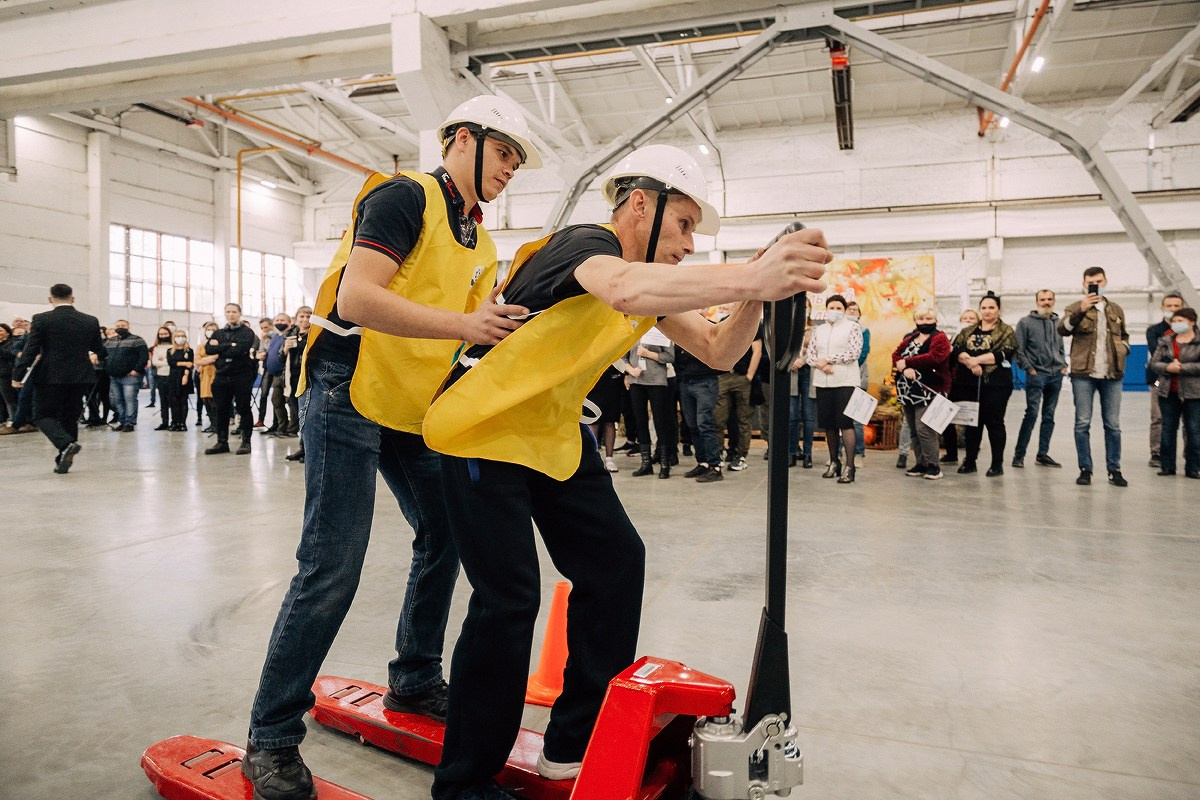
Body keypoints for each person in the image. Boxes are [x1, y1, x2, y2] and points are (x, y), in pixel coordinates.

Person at [421, 143, 830, 800]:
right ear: (641, 203)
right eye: (684, 225)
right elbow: (622, 287)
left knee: (616, 563)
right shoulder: (585, 246)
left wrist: (761, 289)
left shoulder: (652, 282)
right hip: (482, 427)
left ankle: (571, 744)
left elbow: (721, 349)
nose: (690, 244)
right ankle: (463, 782)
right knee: (509, 600)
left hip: (551, 431)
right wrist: (753, 276)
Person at [240, 94, 543, 800]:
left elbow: (457, 330)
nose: (510, 170)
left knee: (446, 534)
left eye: (518, 162)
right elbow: (359, 299)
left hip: (414, 405)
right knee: (332, 566)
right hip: (346, 389)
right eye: (504, 153)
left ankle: (412, 679)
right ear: (462, 139)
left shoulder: (484, 243)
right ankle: (273, 737)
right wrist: (468, 324)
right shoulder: (405, 197)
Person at [10, 284, 104, 474]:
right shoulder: (90, 320)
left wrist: (18, 375)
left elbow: (31, 350)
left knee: (42, 415)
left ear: (50, 299)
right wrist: (98, 357)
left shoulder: (42, 319)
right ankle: (63, 457)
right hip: (80, 375)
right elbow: (99, 349)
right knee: (69, 416)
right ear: (73, 298)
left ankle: (66, 443)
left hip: (50, 375)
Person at [1058, 267, 1130, 487]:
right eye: (1091, 282)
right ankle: (1085, 469)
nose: (1095, 285)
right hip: (1083, 374)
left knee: (1113, 424)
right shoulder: (1074, 307)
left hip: (1112, 373)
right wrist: (1081, 309)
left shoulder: (1115, 309)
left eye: (1099, 281)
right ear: (1083, 284)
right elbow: (1063, 329)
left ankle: (1114, 469)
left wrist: (1124, 348)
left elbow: (1124, 334)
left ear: (1105, 281)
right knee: (1082, 422)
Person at [951, 292, 1015, 476]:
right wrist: (969, 362)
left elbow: (1004, 353)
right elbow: (957, 350)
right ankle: (970, 461)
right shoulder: (969, 330)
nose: (987, 311)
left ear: (999, 310)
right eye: (984, 308)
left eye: (991, 308)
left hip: (997, 384)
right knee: (972, 423)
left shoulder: (1006, 331)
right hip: (969, 383)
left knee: (994, 422)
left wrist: (975, 360)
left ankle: (997, 464)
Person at [806, 294, 863, 483]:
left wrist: (829, 360)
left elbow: (854, 352)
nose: (835, 311)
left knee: (845, 423)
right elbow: (810, 355)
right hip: (823, 381)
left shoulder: (853, 327)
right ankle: (833, 462)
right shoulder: (819, 330)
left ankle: (850, 466)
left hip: (845, 381)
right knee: (828, 424)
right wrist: (821, 365)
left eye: (839, 308)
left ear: (845, 310)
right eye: (832, 307)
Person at [892, 307, 952, 479]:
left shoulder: (940, 338)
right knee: (913, 429)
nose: (925, 322)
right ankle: (921, 463)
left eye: (928, 318)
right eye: (921, 319)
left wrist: (908, 363)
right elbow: (896, 355)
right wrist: (904, 369)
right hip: (908, 389)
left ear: (935, 320)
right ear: (916, 321)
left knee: (924, 427)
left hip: (930, 388)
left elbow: (935, 357)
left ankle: (934, 465)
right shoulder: (910, 338)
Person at [1012, 289, 1067, 468]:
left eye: (1050, 299)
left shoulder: (1058, 323)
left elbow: (1059, 346)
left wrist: (1063, 364)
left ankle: (1043, 454)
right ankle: (1019, 456)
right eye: (1042, 299)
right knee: (1032, 414)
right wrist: (1030, 369)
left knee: (1049, 416)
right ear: (1036, 302)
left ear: (1054, 301)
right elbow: (1018, 350)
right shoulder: (1025, 323)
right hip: (1037, 375)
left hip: (1056, 375)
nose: (1046, 302)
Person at [1149, 307, 1199, 478]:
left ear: (1192, 322)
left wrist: (1182, 368)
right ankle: (1167, 466)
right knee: (1168, 429)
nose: (1176, 324)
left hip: (1194, 393)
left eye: (1180, 321)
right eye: (1175, 321)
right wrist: (1168, 367)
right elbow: (1154, 363)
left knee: (1193, 430)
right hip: (1168, 391)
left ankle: (1193, 467)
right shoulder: (1166, 341)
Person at [204, 303, 259, 455]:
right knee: (221, 409)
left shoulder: (247, 332)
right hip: (221, 375)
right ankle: (222, 442)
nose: (231, 314)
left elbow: (240, 350)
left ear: (240, 313)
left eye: (234, 312)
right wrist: (229, 345)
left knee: (243, 407)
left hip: (241, 375)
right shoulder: (219, 332)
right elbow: (209, 349)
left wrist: (221, 347)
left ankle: (246, 442)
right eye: (228, 312)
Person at [713, 312, 761, 472]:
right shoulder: (722, 321)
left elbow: (757, 350)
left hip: (743, 377)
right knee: (718, 418)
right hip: (724, 376)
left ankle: (740, 456)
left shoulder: (752, 322)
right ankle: (717, 453)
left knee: (744, 419)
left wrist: (749, 376)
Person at [625, 328, 675, 478]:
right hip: (636, 381)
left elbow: (670, 356)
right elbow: (622, 357)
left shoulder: (660, 330)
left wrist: (649, 354)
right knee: (640, 421)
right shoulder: (631, 330)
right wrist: (630, 370)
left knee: (660, 421)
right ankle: (645, 463)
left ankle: (665, 463)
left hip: (657, 381)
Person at [676, 333, 724, 482]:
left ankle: (715, 466)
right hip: (685, 381)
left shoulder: (708, 329)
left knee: (705, 423)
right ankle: (702, 462)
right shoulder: (681, 331)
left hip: (705, 381)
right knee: (693, 425)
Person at [1147, 292, 1185, 468]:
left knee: (1190, 420)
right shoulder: (1154, 331)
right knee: (1158, 417)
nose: (1173, 309)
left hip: (1187, 380)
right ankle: (1157, 453)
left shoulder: (1193, 331)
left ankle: (1191, 454)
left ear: (1182, 308)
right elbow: (1157, 353)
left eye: (1176, 306)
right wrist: (1177, 362)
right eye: (1169, 306)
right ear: (1162, 308)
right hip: (1158, 379)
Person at [103, 319, 148, 432]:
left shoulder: (137, 340)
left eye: (123, 325)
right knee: (117, 400)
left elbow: (144, 356)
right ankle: (122, 421)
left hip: (130, 376)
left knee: (130, 399)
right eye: (118, 325)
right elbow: (103, 353)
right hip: (114, 376)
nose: (120, 327)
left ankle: (129, 422)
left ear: (128, 327)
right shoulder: (110, 341)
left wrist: (136, 370)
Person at [845, 300, 870, 462]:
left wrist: (847, 366)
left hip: (858, 378)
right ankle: (842, 453)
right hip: (840, 380)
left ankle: (859, 453)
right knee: (842, 420)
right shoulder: (838, 329)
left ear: (859, 313)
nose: (852, 311)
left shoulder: (864, 330)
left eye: (855, 309)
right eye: (849, 309)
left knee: (856, 420)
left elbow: (863, 353)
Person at [261, 312, 292, 435]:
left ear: (289, 323)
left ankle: (291, 429)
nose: (279, 322)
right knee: (276, 401)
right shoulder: (275, 337)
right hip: (275, 375)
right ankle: (280, 427)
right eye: (277, 320)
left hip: (285, 374)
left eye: (282, 320)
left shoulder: (289, 336)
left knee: (289, 402)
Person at [166, 329, 195, 431]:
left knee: (183, 400)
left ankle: (183, 423)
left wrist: (185, 375)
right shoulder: (170, 351)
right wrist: (183, 363)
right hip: (173, 377)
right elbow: (171, 363)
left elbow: (190, 364)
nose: (180, 338)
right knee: (173, 401)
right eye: (178, 336)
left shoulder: (189, 351)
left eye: (182, 336)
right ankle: (174, 422)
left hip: (184, 376)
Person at [149, 326, 174, 430]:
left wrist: (163, 360)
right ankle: (164, 422)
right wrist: (167, 361)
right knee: (163, 400)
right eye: (161, 334)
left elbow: (174, 362)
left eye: (165, 334)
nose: (163, 336)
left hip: (172, 375)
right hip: (161, 376)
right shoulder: (157, 348)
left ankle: (174, 422)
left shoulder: (174, 346)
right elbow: (155, 362)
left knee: (172, 400)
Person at [195, 321, 218, 431]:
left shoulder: (220, 343)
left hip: (216, 373)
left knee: (215, 399)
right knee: (205, 399)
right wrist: (207, 360)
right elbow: (197, 360)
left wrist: (205, 360)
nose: (211, 332)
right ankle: (212, 422)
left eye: (213, 330)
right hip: (204, 375)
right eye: (209, 329)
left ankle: (217, 424)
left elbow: (217, 357)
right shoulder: (202, 345)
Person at [0, 323, 17, 426]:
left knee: (9, 399)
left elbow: (9, 355)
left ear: (7, 333)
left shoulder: (13, 342)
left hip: (7, 374)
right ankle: (2, 420)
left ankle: (14, 420)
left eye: (1, 331)